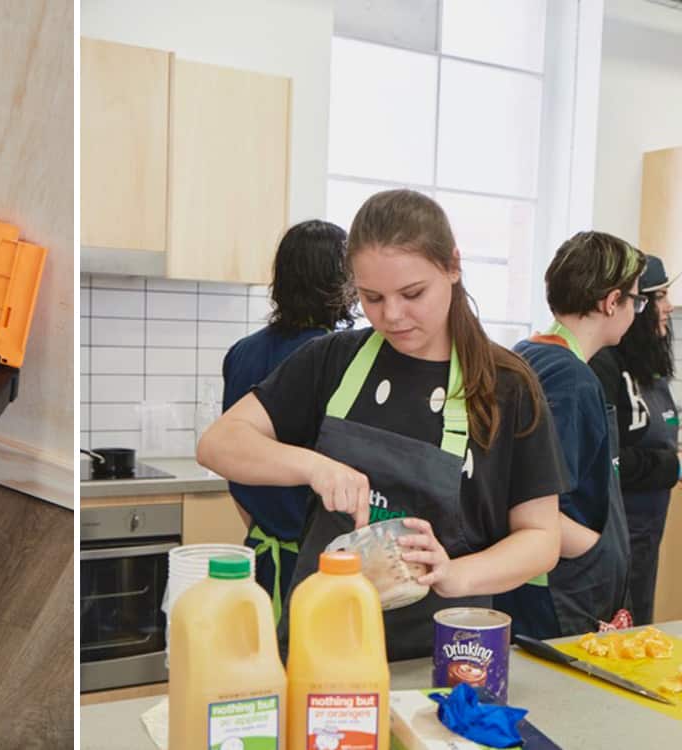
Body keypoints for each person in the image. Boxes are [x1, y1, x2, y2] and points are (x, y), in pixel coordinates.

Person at [197, 189, 566, 661]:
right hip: (322, 646)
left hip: (446, 655)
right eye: (372, 297)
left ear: (452, 266)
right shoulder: (331, 361)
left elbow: (540, 539)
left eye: (412, 294)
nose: (391, 315)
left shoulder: (507, 386)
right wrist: (313, 467)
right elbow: (218, 443)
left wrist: (454, 573)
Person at [494, 232, 644, 639]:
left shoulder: (526, 354)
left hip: (532, 583)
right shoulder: (571, 379)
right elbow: (531, 500)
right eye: (636, 299)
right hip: (559, 590)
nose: (636, 310)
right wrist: (599, 551)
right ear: (611, 302)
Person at [221, 219, 355, 625]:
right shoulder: (338, 357)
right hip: (319, 563)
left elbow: (238, 468)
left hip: (261, 553)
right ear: (341, 281)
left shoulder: (242, 352)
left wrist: (265, 524)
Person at [589, 254, 680, 624]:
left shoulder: (648, 364)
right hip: (613, 535)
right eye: (657, 297)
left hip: (647, 534)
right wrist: (672, 465)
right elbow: (605, 461)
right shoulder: (600, 366)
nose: (667, 307)